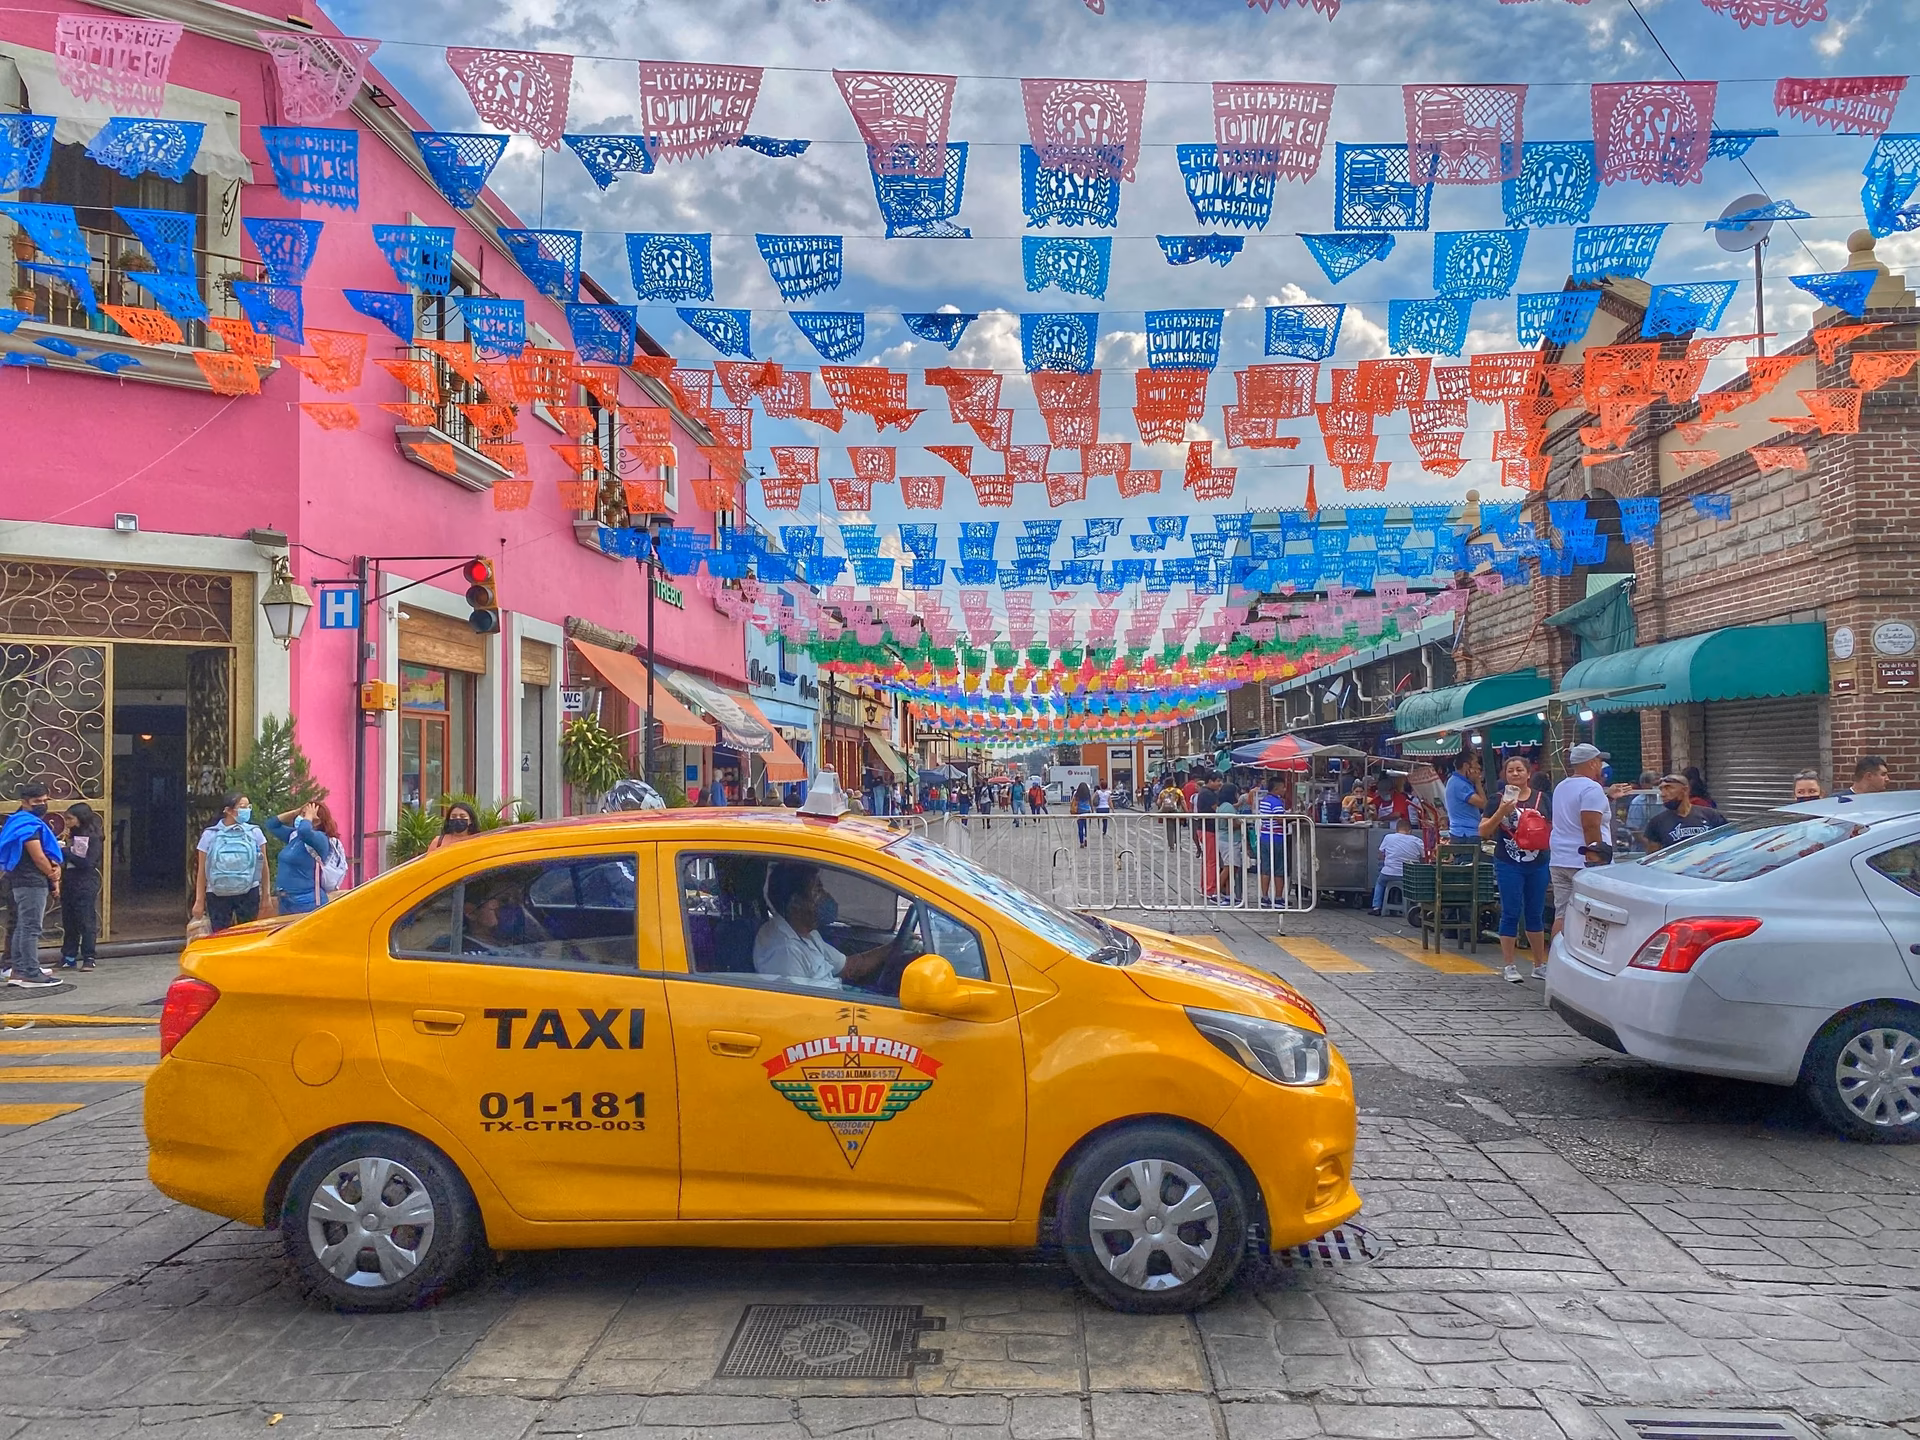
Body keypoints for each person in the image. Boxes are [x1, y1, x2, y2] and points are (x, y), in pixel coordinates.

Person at [753, 863, 893, 990]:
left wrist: (893, 947)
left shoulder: (806, 931)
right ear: (796, 903)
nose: (826, 896)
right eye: (818, 891)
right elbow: (797, 1008)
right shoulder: (784, 951)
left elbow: (850, 967)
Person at [1480, 756, 1552, 984]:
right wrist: (1501, 812)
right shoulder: (1497, 799)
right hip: (1508, 862)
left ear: (1528, 774)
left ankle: (1539, 964)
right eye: (1510, 770)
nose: (1515, 774)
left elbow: (1552, 828)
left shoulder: (1542, 799)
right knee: (1511, 911)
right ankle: (1509, 964)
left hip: (1538, 862)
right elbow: (1483, 831)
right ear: (1505, 775)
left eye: (1520, 770)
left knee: (1535, 913)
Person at [1, 784, 63, 988]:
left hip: (20, 880)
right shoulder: (27, 825)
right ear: (24, 801)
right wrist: (52, 873)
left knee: (22, 925)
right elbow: (37, 855)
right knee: (31, 927)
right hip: (30, 881)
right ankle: (30, 972)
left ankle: (19, 969)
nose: (42, 805)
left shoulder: (17, 822)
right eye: (38, 802)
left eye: (45, 801)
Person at [1550, 744, 1613, 940]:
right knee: (1591, 916)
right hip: (1584, 862)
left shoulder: (1561, 786)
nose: (1601, 765)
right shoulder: (1591, 788)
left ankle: (1555, 963)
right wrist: (1596, 857)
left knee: (1562, 914)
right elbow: (1590, 825)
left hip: (1560, 859)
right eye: (1600, 761)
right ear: (1592, 763)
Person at [193, 792, 267, 933]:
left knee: (247, 936)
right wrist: (199, 901)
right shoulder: (210, 835)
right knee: (221, 936)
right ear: (228, 810)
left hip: (249, 889)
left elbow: (264, 866)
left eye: (248, 806)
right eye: (242, 807)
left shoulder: (255, 832)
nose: (247, 810)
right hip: (217, 892)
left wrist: (266, 896)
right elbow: (202, 870)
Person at [262, 802, 334, 914]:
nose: (300, 818)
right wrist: (296, 812)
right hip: (286, 900)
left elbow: (304, 831)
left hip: (306, 901)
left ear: (318, 821)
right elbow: (271, 824)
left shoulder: (321, 839)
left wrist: (308, 817)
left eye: (304, 815)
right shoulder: (295, 837)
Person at [57, 801, 103, 972]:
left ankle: (89, 957)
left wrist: (66, 851)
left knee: (85, 920)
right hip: (70, 880)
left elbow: (86, 862)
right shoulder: (71, 835)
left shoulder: (91, 836)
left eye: (70, 819)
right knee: (69, 920)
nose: (67, 822)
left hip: (84, 881)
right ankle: (68, 956)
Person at [1643, 774, 1727, 852]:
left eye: (1668, 788)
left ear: (1685, 790)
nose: (1663, 794)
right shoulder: (1657, 823)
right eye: (1661, 789)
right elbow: (1652, 860)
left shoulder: (1710, 815)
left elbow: (1726, 845)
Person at [1372, 817, 1425, 916]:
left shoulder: (1388, 837)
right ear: (1410, 830)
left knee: (1380, 883)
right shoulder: (1417, 841)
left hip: (1388, 873)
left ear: (1396, 829)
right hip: (1408, 876)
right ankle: (1413, 906)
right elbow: (1423, 857)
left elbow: (1380, 855)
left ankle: (1376, 907)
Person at [1257, 776, 1289, 907]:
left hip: (1264, 836)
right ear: (1276, 789)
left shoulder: (1265, 800)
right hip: (1276, 838)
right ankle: (1278, 898)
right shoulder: (1276, 802)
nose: (1285, 789)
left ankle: (1264, 897)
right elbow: (1280, 819)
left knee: (1266, 868)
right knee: (1279, 869)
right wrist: (1292, 818)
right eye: (1283, 787)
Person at [1443, 755, 1486, 841]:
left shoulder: (1457, 781)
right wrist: (1478, 782)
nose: (1479, 767)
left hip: (1465, 833)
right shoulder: (1459, 784)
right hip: (1465, 834)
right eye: (1476, 763)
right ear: (1466, 766)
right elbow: (1484, 804)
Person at [1624, 771, 1660, 848]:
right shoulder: (1638, 802)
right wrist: (1650, 845)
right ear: (1644, 784)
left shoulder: (1663, 799)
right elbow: (1634, 830)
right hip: (1642, 848)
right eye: (1655, 784)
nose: (1658, 787)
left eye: (1659, 784)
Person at [1155, 773, 1187, 849]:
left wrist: (1164, 806)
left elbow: (1158, 803)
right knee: (1177, 829)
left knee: (1169, 829)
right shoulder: (1178, 791)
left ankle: (1171, 846)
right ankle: (1178, 845)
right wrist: (1186, 811)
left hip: (1167, 813)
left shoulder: (1163, 792)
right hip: (1176, 811)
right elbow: (1182, 801)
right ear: (1173, 783)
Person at [1072, 782, 1094, 848]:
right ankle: (1086, 839)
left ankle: (1081, 842)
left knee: (1080, 828)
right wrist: (1092, 810)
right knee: (1087, 827)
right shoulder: (1088, 794)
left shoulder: (1077, 794)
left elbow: (1074, 802)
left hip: (1079, 812)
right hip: (1087, 811)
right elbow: (1090, 803)